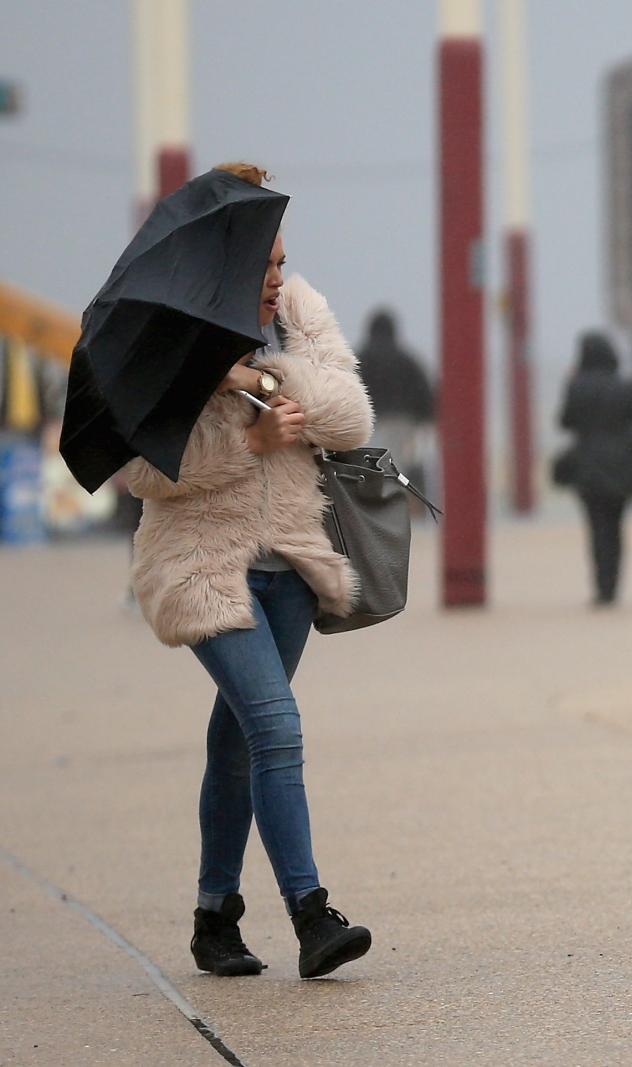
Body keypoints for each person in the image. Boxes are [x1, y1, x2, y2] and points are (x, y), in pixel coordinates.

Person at [124, 162, 376, 977]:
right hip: (205, 566)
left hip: (292, 565)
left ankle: (213, 917)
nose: (274, 279)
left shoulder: (300, 315)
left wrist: (263, 376)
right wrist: (247, 438)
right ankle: (312, 914)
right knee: (276, 728)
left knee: (237, 742)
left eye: (278, 262)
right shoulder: (164, 344)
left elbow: (349, 413)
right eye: (259, 267)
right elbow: (144, 474)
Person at [557, 333, 632, 606]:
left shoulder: (577, 386)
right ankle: (613, 586)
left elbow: (565, 422)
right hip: (620, 467)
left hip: (587, 466)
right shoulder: (628, 386)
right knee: (616, 527)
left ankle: (601, 589)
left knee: (596, 528)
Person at [355, 308, 435, 494]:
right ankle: (394, 499)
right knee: (396, 463)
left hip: (367, 421)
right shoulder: (407, 360)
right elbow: (424, 392)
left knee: (368, 463)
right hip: (401, 421)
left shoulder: (360, 359)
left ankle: (370, 498)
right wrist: (426, 419)